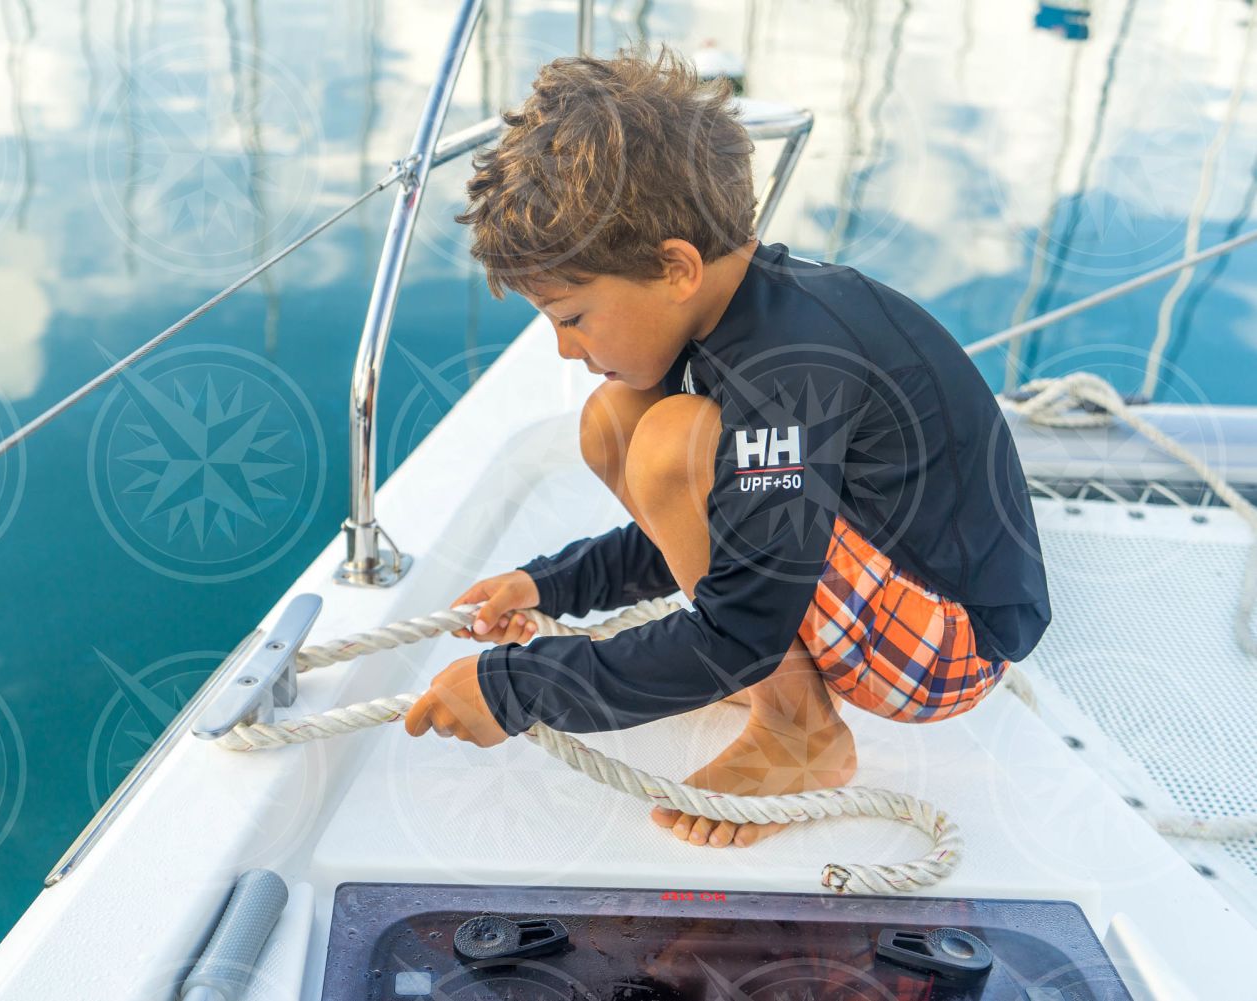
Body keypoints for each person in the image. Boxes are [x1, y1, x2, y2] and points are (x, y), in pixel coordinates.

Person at [402, 45, 1051, 850]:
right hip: (871, 586)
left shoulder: (789, 373)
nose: (565, 349)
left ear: (675, 267)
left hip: (951, 643)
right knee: (616, 419)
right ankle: (787, 694)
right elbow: (744, 520)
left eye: (571, 316)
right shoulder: (744, 315)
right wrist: (550, 585)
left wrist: (515, 689)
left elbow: (738, 626)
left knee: (667, 438)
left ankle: (800, 729)